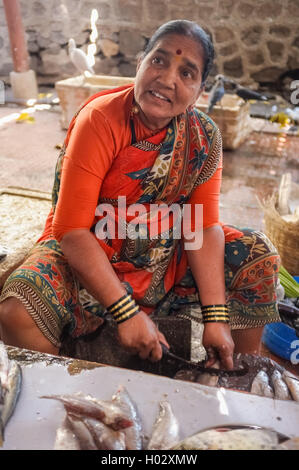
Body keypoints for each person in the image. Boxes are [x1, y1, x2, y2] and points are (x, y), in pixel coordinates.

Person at [0, 20, 281, 369]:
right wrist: (125, 311)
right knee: (20, 308)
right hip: (92, 249)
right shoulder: (100, 120)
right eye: (159, 61)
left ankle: (236, 373)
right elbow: (70, 230)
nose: (166, 79)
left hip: (163, 256)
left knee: (257, 255)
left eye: (187, 73)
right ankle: (61, 397)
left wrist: (216, 316)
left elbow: (201, 227)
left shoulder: (203, 137)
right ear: (140, 64)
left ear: (199, 90)